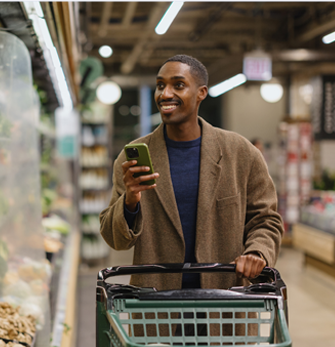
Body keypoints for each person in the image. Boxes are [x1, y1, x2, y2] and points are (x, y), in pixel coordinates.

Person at [99, 54, 284, 292]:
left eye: (178, 85)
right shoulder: (132, 160)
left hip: (224, 300)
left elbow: (266, 218)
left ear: (201, 93)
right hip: (156, 307)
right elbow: (115, 240)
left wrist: (257, 252)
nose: (165, 94)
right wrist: (130, 202)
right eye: (160, 86)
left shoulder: (240, 153)